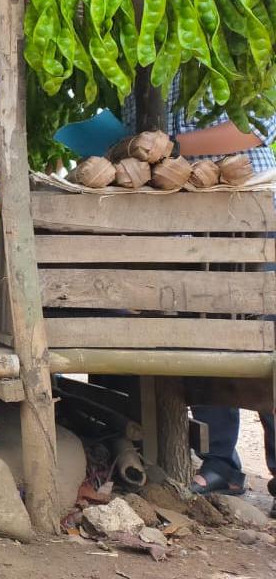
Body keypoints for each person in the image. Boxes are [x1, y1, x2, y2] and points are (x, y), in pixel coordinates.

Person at [119, 77, 276, 512]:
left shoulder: (236, 54)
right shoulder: (144, 73)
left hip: (248, 209)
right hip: (184, 221)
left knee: (264, 337)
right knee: (203, 338)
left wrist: (171, 145)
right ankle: (221, 465)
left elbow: (254, 128)